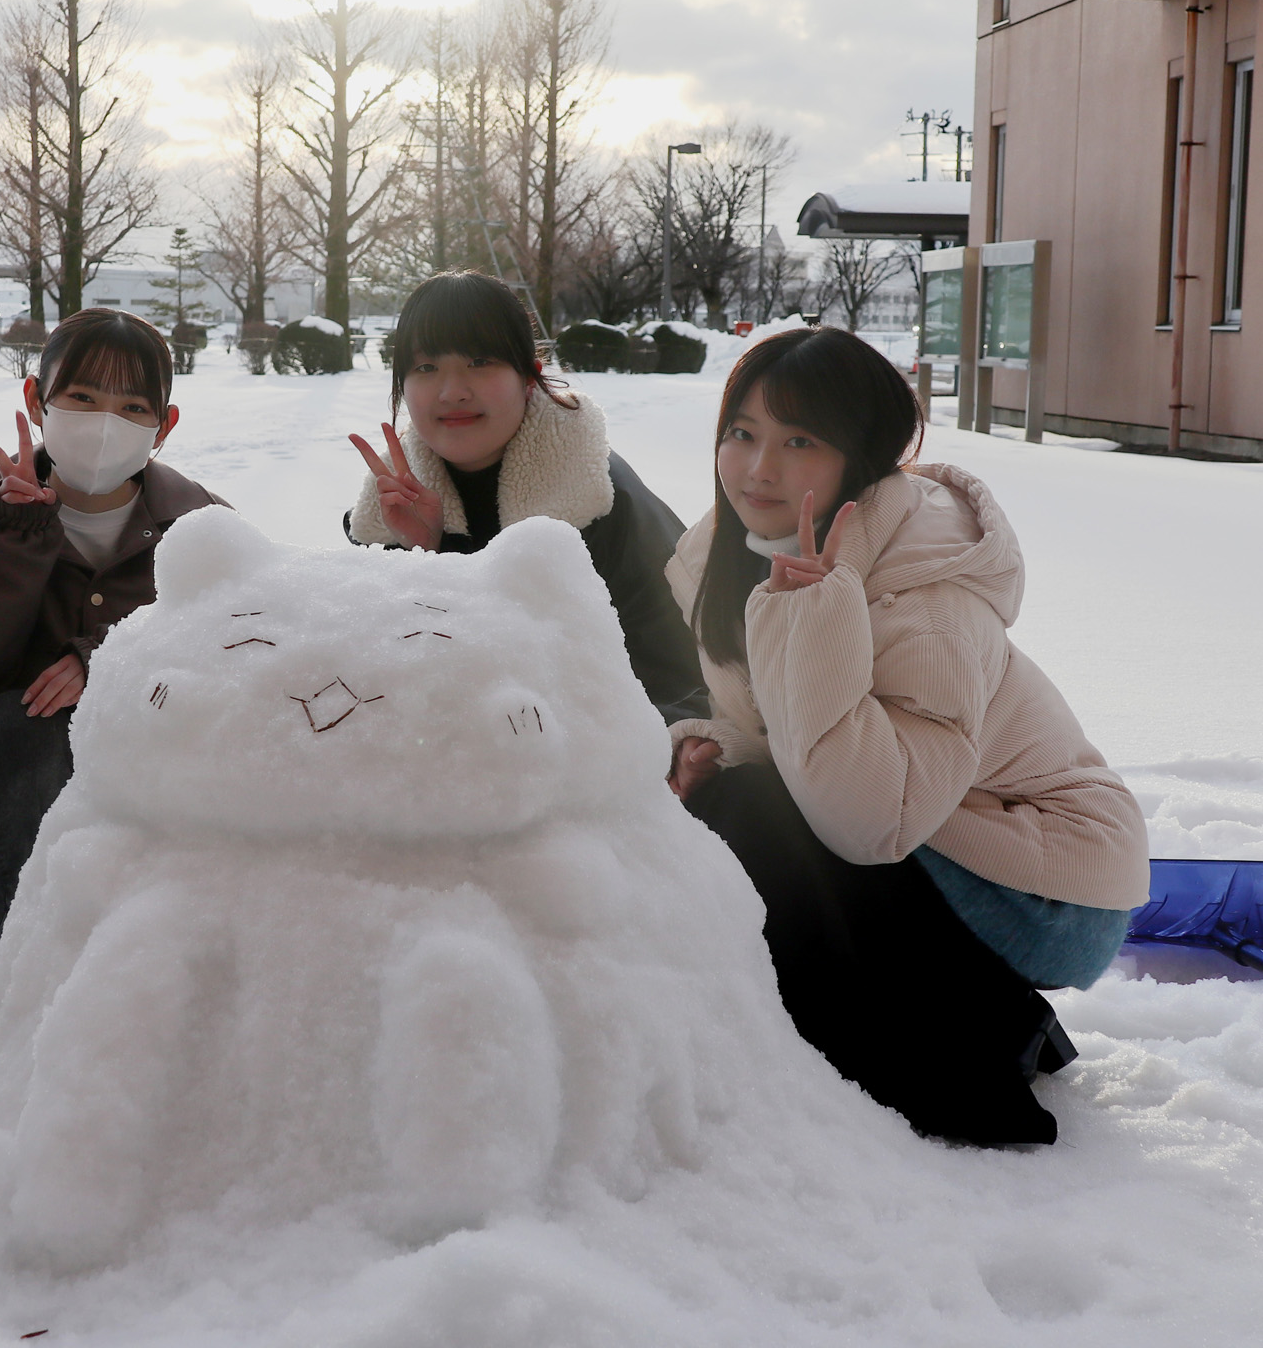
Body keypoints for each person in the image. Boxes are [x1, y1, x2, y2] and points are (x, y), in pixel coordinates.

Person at [664, 325, 1148, 1147]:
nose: (758, 467)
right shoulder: (737, 553)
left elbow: (870, 822)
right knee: (735, 805)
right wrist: (711, 746)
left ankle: (950, 1052)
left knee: (759, 820)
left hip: (1052, 884)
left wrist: (813, 617)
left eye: (800, 441)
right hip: (937, 822)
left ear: (862, 460)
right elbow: (782, 731)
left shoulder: (927, 600)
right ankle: (969, 1011)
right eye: (741, 432)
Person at [0, 308, 225, 1014]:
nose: (105, 424)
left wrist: (108, 662)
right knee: (23, 725)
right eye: (83, 398)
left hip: (143, 788)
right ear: (37, 400)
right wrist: (10, 536)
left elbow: (237, 656)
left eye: (133, 408)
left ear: (165, 423)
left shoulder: (204, 527)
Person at [345, 271, 709, 724]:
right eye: (425, 368)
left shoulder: (600, 497)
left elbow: (685, 679)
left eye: (480, 361)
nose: (452, 391)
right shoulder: (389, 511)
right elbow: (390, 682)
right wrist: (427, 554)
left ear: (529, 376)